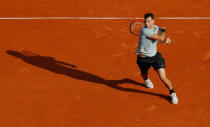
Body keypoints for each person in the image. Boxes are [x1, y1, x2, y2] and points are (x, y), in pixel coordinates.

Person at [136, 13, 178, 104]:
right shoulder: (144, 31)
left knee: (163, 77)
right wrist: (163, 31)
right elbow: (160, 37)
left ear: (153, 21)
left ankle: (173, 93)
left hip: (155, 57)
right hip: (143, 59)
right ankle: (146, 80)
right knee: (144, 74)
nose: (146, 23)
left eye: (148, 21)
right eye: (145, 21)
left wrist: (165, 41)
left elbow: (156, 40)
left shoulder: (155, 28)